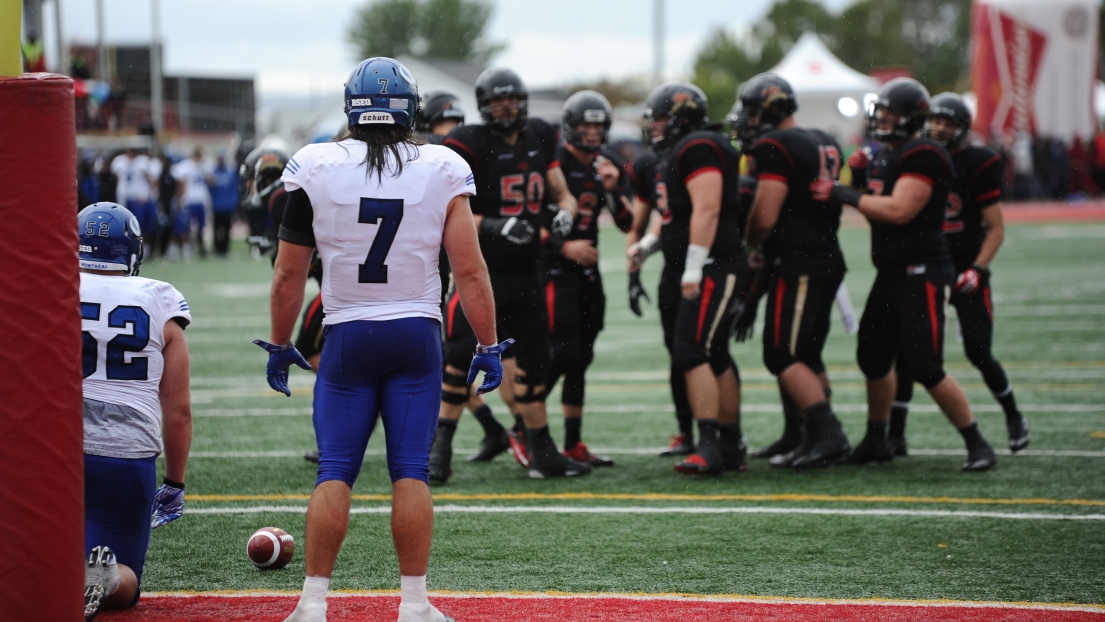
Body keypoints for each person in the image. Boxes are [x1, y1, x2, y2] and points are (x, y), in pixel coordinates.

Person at [258, 57, 503, 622]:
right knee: (410, 470)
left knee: (335, 469)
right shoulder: (441, 165)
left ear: (351, 107)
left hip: (346, 334)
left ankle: (313, 604)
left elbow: (288, 274)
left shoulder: (315, 165)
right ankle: (413, 604)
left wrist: (279, 343)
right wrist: (488, 343)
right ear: (410, 109)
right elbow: (470, 270)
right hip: (416, 334)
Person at [811, 78, 998, 472]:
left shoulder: (924, 153)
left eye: (890, 114)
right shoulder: (887, 153)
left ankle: (977, 442)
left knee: (925, 365)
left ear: (910, 119)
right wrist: (860, 180)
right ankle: (877, 438)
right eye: (880, 113)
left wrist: (844, 193)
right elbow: (879, 201)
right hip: (892, 272)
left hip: (923, 273)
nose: (881, 120)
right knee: (874, 358)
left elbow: (899, 210)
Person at [431, 67, 588, 481]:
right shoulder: (469, 143)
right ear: (483, 106)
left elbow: (562, 192)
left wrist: (567, 213)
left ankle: (541, 451)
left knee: (536, 363)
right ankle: (438, 451)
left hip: (528, 272)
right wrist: (492, 224)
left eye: (512, 99)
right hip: (481, 272)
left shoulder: (539, 134)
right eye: (497, 101)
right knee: (459, 360)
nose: (506, 107)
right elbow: (444, 202)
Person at [887, 92, 1029, 455]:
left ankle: (1013, 415)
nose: (939, 127)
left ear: (963, 128)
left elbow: (996, 228)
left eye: (948, 123)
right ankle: (895, 434)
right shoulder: (916, 155)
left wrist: (979, 269)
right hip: (928, 267)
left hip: (964, 267)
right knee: (909, 353)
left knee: (978, 350)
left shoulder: (978, 161)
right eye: (936, 120)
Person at [78, 203, 192, 620]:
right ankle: (104, 578)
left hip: (53, 446)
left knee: (35, 552)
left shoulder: (50, 286)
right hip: (125, 455)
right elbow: (178, 409)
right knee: (126, 586)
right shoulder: (159, 298)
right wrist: (175, 483)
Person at [737, 73, 852, 469]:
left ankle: (828, 432)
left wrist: (749, 243)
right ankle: (800, 433)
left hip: (799, 259)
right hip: (825, 254)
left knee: (782, 353)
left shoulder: (776, 144)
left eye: (753, 113)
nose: (748, 121)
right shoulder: (823, 137)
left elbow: (767, 215)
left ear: (769, 111)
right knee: (806, 352)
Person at [635, 81, 747, 475]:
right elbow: (673, 216)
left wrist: (695, 265)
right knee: (712, 352)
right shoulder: (676, 152)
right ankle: (729, 445)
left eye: (662, 118)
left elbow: (707, 209)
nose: (656, 126)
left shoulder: (699, 145)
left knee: (691, 350)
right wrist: (649, 245)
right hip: (697, 262)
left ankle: (712, 445)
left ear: (681, 117)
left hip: (712, 263)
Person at [541, 90, 634, 466]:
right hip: (555, 269)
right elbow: (531, 220)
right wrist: (566, 248)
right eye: (586, 125)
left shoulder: (606, 163)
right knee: (564, 353)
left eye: (598, 125)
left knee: (582, 357)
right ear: (571, 127)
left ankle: (573, 443)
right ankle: (524, 426)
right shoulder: (554, 163)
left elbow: (627, 222)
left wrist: (613, 188)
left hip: (588, 275)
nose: (593, 132)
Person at [172, 148, 212, 258]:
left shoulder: (204, 166)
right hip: (189, 200)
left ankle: (199, 248)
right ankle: (185, 249)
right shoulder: (185, 166)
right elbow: (181, 183)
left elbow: (212, 181)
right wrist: (180, 198)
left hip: (201, 200)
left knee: (201, 226)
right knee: (185, 226)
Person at [208, 153, 240, 257]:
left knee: (227, 228)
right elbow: (210, 190)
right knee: (217, 228)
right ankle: (217, 248)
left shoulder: (229, 173)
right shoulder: (213, 174)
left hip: (227, 207)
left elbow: (234, 189)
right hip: (217, 207)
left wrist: (233, 203)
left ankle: (225, 248)